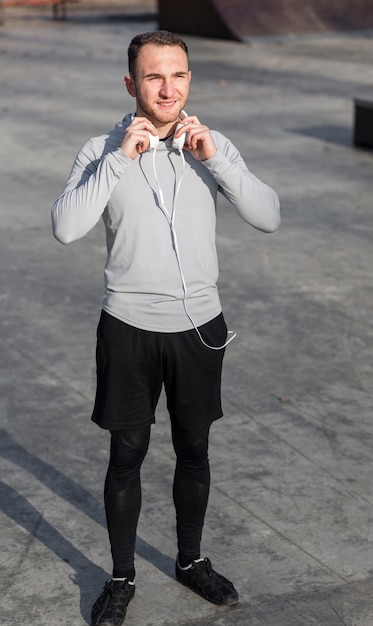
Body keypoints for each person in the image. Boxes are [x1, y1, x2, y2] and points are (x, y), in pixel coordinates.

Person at [51, 29, 280, 626]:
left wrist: (216, 161)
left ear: (189, 80)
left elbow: (269, 216)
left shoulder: (211, 144)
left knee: (194, 448)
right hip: (128, 327)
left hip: (199, 328)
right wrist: (120, 158)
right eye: (154, 76)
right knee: (126, 454)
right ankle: (122, 577)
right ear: (131, 84)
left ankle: (190, 560)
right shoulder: (102, 148)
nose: (167, 88)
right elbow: (65, 226)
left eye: (178, 75)